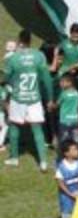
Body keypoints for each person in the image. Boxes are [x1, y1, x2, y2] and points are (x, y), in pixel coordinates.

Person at [4, 30, 53, 170]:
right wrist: (50, 98)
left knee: (14, 125)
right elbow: (46, 79)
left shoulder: (14, 58)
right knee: (37, 128)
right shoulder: (39, 56)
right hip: (34, 97)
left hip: (18, 97)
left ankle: (14, 158)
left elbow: (6, 77)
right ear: (30, 40)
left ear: (19, 40)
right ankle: (43, 162)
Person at [55, 139, 78, 218]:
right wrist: (70, 194)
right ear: (66, 153)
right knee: (66, 217)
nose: (77, 151)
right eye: (74, 149)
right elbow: (60, 183)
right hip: (66, 197)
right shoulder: (61, 167)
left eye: (77, 149)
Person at [55, 75, 78, 161]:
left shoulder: (64, 94)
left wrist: (52, 106)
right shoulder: (77, 93)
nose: (60, 84)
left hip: (64, 121)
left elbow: (57, 104)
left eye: (63, 82)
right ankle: (76, 157)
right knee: (75, 140)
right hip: (75, 120)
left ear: (69, 83)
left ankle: (61, 159)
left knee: (63, 141)